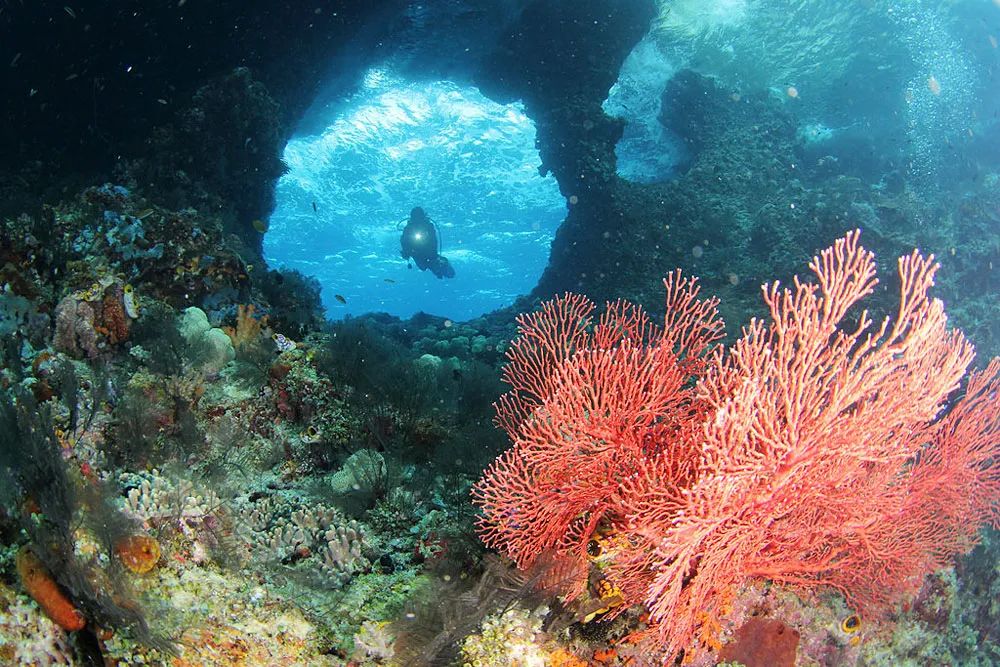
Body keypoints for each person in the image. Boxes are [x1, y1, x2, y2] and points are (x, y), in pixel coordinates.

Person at [399, 207, 455, 279]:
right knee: (423, 267)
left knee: (447, 272)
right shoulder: (408, 228)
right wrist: (406, 252)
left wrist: (433, 252)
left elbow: (434, 239)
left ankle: (442, 265)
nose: (417, 220)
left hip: (428, 250)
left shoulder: (428, 226)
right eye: (415, 218)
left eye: (418, 217)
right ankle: (437, 267)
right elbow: (403, 241)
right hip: (416, 252)